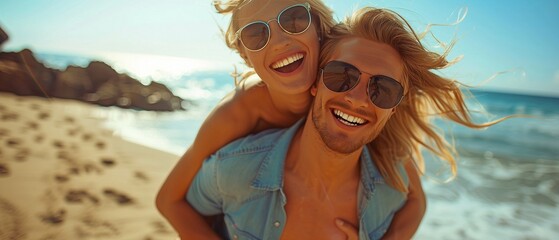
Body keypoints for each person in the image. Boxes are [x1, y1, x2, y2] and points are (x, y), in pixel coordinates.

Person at [156, 1, 425, 239]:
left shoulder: (348, 88)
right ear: (245, 55)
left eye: (294, 19)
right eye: (255, 34)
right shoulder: (239, 112)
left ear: (319, 28)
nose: (279, 41)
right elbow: (171, 200)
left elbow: (416, 199)